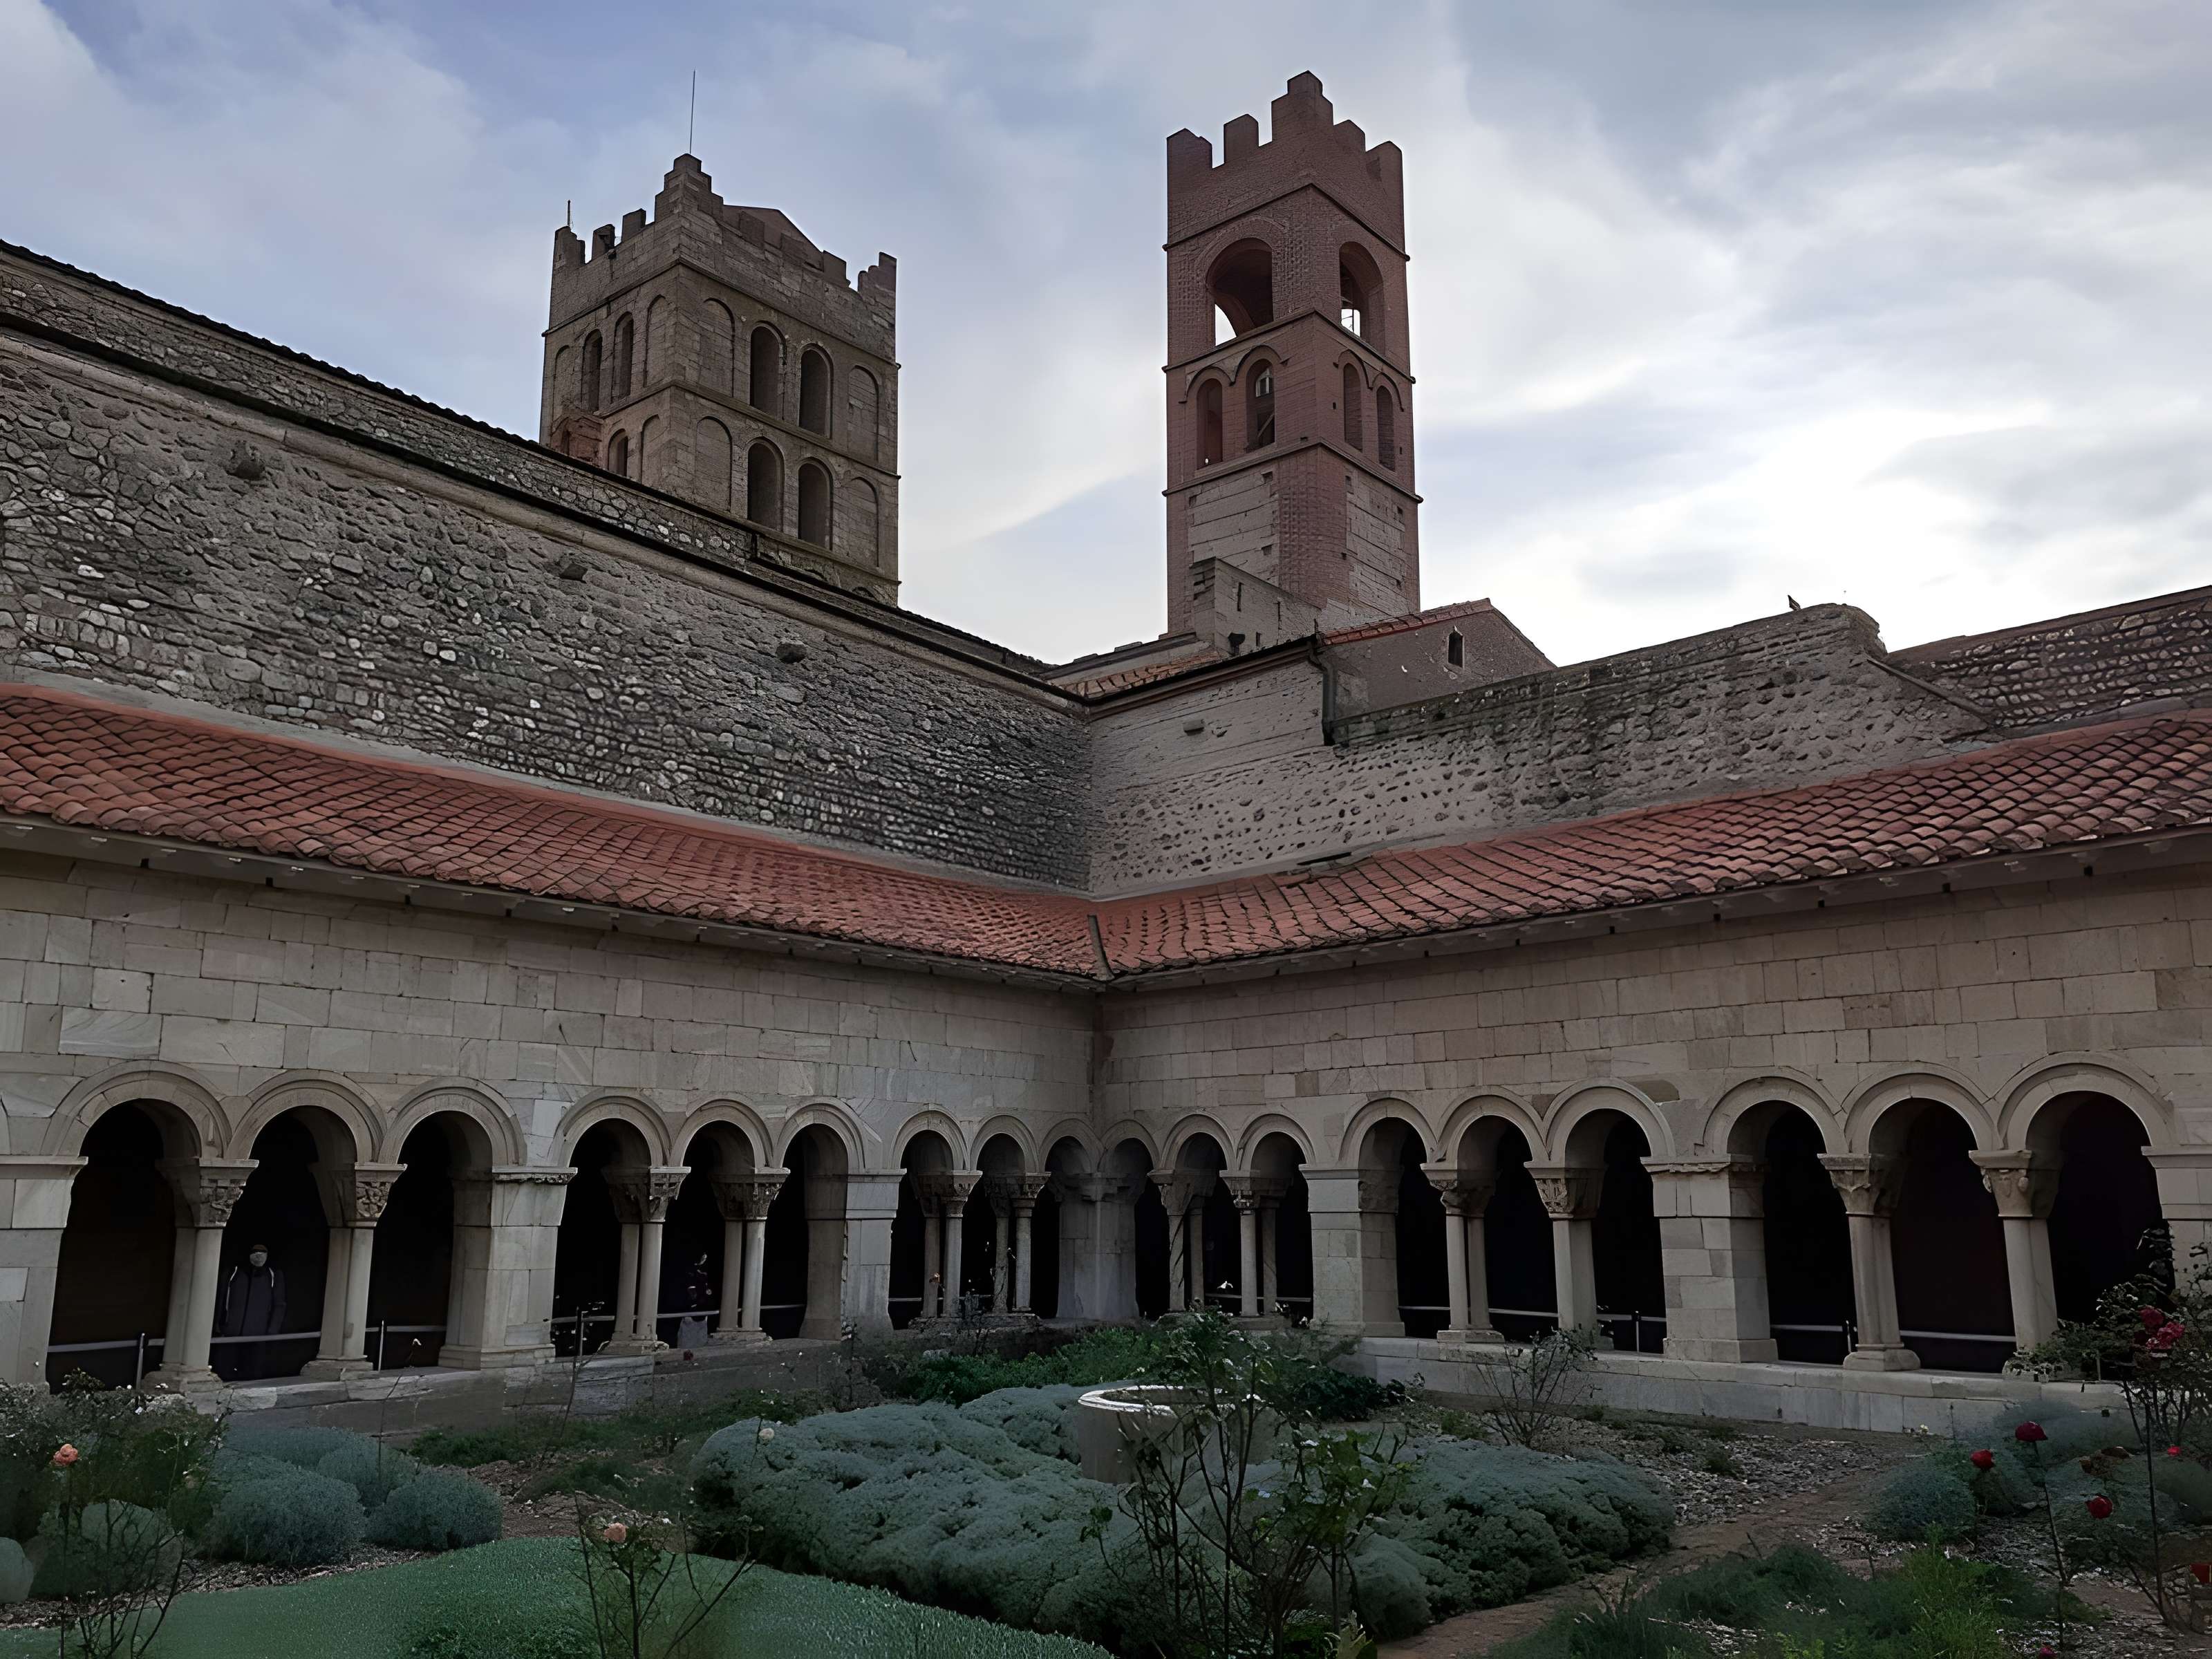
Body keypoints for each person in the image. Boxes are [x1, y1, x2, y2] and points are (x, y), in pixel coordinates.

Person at [216, 1243, 286, 1380]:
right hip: (231, 1332)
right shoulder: (233, 1273)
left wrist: (272, 1331)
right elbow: (221, 1299)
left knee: (253, 1372)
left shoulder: (273, 1275)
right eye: (255, 1252)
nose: (258, 1256)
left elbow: (279, 1304)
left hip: (258, 1334)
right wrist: (218, 1325)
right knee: (225, 1370)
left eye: (262, 1253)